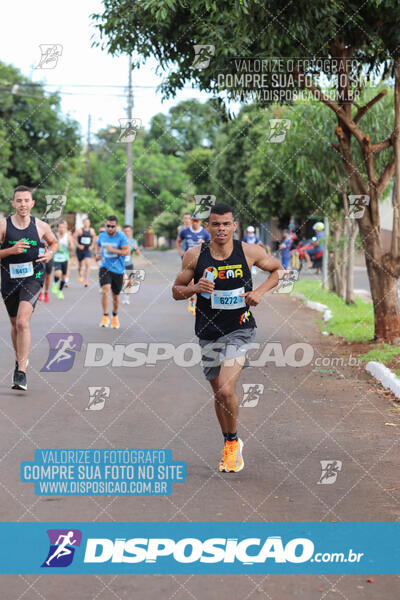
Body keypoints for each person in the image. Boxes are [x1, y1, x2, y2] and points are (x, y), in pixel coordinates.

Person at [172, 203, 281, 473]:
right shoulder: (195, 255)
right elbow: (176, 290)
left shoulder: (250, 252)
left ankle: (232, 444)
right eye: (215, 224)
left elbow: (279, 271)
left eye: (226, 224)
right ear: (207, 226)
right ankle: (229, 440)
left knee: (225, 389)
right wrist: (195, 287)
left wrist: (261, 292)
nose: (221, 229)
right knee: (219, 396)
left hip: (240, 328)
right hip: (208, 331)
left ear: (234, 226)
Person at [0, 185, 58, 390]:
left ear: (32, 203)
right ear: (13, 203)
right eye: (19, 200)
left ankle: (21, 371)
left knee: (23, 323)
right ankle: (20, 359)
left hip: (34, 277)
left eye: (26, 200)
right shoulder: (3, 226)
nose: (23, 204)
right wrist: (11, 250)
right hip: (8, 279)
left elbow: (54, 242)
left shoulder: (41, 226)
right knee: (15, 324)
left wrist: (50, 254)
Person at [96, 215, 129, 328]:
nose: (110, 228)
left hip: (118, 270)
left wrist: (113, 250)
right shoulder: (102, 235)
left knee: (115, 295)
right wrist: (97, 254)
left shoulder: (122, 237)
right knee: (105, 290)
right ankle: (105, 316)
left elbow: (127, 252)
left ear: (116, 226)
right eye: (108, 226)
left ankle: (115, 316)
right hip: (105, 267)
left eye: (112, 226)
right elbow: (98, 245)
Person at [176, 213, 211, 315]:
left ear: (200, 222)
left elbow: (211, 245)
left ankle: (201, 302)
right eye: (194, 220)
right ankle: (192, 302)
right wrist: (181, 251)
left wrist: (204, 243)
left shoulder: (205, 233)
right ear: (192, 221)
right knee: (191, 282)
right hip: (188, 260)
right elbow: (178, 241)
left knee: (201, 281)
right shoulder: (185, 231)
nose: (195, 222)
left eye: (197, 221)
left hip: (201, 259)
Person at [51, 220, 74, 299]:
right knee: (58, 273)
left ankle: (60, 291)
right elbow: (51, 245)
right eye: (60, 227)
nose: (62, 229)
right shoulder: (54, 236)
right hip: (56, 258)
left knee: (64, 277)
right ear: (58, 228)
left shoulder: (68, 236)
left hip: (65, 258)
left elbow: (71, 249)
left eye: (64, 227)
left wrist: (70, 243)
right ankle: (54, 283)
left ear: (66, 228)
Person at [74, 217, 96, 287]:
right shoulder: (80, 231)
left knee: (87, 265)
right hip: (80, 250)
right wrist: (78, 245)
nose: (86, 224)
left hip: (87, 250)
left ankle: (86, 280)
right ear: (83, 223)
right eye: (85, 222)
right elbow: (73, 237)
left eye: (88, 222)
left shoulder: (92, 231)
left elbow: (95, 238)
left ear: (89, 223)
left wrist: (92, 246)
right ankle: (80, 273)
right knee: (80, 265)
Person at [121, 224, 139, 305]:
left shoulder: (133, 241)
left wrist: (135, 248)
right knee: (124, 280)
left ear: (131, 232)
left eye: (128, 231)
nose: (127, 232)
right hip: (120, 264)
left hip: (129, 264)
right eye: (125, 231)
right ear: (123, 232)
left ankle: (126, 298)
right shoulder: (120, 240)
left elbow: (137, 253)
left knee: (130, 282)